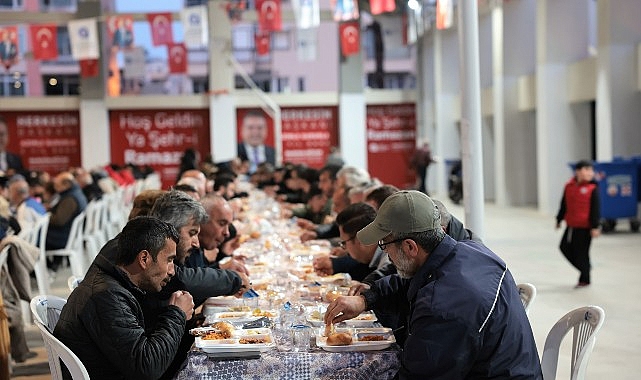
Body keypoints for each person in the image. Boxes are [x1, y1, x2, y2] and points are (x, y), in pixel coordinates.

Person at [324, 191, 542, 379]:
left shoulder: (443, 306)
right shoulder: (468, 252)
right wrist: (364, 300)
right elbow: (407, 282)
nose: (385, 253)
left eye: (385, 244)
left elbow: (420, 375)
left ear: (410, 246)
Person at [54, 216, 195, 380]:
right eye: (169, 260)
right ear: (144, 259)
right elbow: (147, 368)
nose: (172, 270)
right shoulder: (107, 297)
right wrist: (177, 314)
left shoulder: (116, 285)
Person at [556, 160, 600, 288]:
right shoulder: (569, 186)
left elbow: (595, 209)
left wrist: (595, 226)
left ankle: (585, 278)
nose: (590, 173)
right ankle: (585, 268)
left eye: (591, 170)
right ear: (578, 171)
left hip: (585, 227)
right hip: (571, 224)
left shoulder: (592, 188)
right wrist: (559, 219)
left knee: (582, 252)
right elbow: (564, 204)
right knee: (564, 247)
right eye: (587, 169)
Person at [46, 171, 88, 272]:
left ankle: (49, 268)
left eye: (57, 185)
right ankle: (53, 265)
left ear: (66, 184)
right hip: (68, 235)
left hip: (63, 237)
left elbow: (60, 220)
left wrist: (45, 216)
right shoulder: (76, 193)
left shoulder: (70, 199)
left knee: (35, 239)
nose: (55, 188)